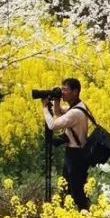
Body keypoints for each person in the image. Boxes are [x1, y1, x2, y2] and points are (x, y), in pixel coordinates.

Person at [42, 77, 91, 210]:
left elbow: (52, 125)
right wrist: (57, 101)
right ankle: (74, 214)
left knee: (76, 190)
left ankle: (84, 215)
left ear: (75, 92)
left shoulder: (75, 112)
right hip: (75, 153)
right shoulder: (79, 106)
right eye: (61, 89)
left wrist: (45, 108)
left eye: (65, 90)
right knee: (69, 188)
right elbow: (59, 113)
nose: (62, 92)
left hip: (76, 156)